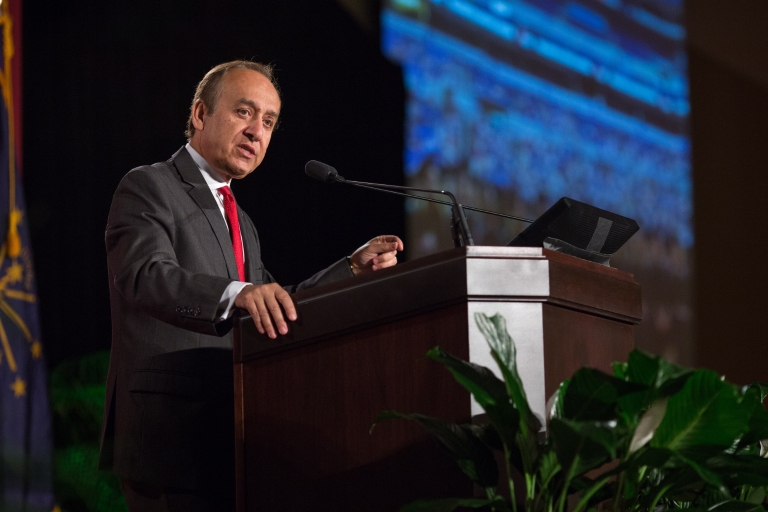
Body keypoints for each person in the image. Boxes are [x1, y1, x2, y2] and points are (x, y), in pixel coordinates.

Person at [98, 60, 403, 512]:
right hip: (168, 438)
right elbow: (143, 275)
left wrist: (350, 271)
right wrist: (235, 294)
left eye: (268, 121)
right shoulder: (149, 185)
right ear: (201, 114)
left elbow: (275, 303)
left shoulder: (241, 221)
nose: (256, 132)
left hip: (231, 438)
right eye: (244, 112)